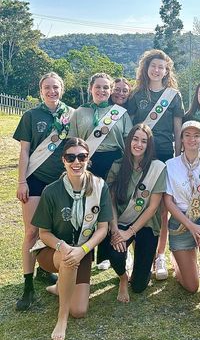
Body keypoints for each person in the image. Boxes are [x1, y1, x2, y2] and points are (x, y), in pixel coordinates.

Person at [31, 138, 112, 340]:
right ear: (63, 160)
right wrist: (63, 246)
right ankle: (61, 319)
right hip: (53, 251)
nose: (77, 162)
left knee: (80, 310)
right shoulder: (51, 190)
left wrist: (83, 249)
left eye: (82, 156)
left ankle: (61, 288)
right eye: (71, 157)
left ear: (88, 159)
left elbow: (102, 229)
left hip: (82, 251)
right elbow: (44, 233)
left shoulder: (99, 187)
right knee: (67, 258)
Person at [13, 71, 74, 311]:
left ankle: (43, 270)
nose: (52, 91)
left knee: (56, 229)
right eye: (47, 87)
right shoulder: (30, 115)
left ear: (62, 89)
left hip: (61, 181)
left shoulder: (70, 115)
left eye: (56, 87)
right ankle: (28, 286)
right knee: (32, 232)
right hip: (35, 179)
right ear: (41, 91)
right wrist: (21, 182)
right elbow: (25, 152)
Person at [127, 49, 184, 280]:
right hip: (139, 152)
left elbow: (178, 128)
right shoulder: (136, 93)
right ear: (146, 68)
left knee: (161, 207)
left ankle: (159, 255)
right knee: (135, 201)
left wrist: (178, 155)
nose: (157, 70)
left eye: (162, 67)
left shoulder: (174, 95)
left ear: (166, 70)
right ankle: (134, 252)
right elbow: (130, 126)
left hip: (163, 153)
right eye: (153, 66)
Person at [69, 72, 132, 271]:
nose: (102, 90)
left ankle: (105, 254)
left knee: (108, 205)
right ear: (91, 89)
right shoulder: (79, 112)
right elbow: (72, 141)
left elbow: (129, 139)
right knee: (86, 205)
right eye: (98, 87)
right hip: (88, 163)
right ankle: (84, 251)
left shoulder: (119, 113)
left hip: (114, 163)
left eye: (106, 87)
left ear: (111, 90)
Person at [107, 123, 166, 302]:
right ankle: (123, 279)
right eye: (135, 139)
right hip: (122, 221)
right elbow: (111, 202)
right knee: (116, 253)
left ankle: (141, 265)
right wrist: (116, 230)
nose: (138, 144)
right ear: (129, 141)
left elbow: (153, 207)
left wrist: (129, 233)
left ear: (149, 145)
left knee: (139, 286)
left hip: (147, 224)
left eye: (144, 141)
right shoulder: (117, 166)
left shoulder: (157, 168)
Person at [164, 121, 200, 304]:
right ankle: (178, 260)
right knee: (190, 286)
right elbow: (168, 202)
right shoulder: (170, 165)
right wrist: (190, 226)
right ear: (181, 139)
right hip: (180, 222)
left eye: (196, 135)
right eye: (187, 135)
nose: (192, 139)